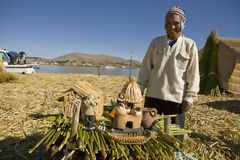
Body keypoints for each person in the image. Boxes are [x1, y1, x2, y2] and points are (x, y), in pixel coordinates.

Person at [137, 6, 200, 143]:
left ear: (182, 24)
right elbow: (146, 68)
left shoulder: (190, 45)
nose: (171, 26)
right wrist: (139, 88)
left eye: (176, 23)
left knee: (173, 140)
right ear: (164, 24)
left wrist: (190, 97)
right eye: (168, 23)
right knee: (150, 137)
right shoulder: (155, 43)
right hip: (153, 98)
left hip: (175, 101)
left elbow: (193, 74)